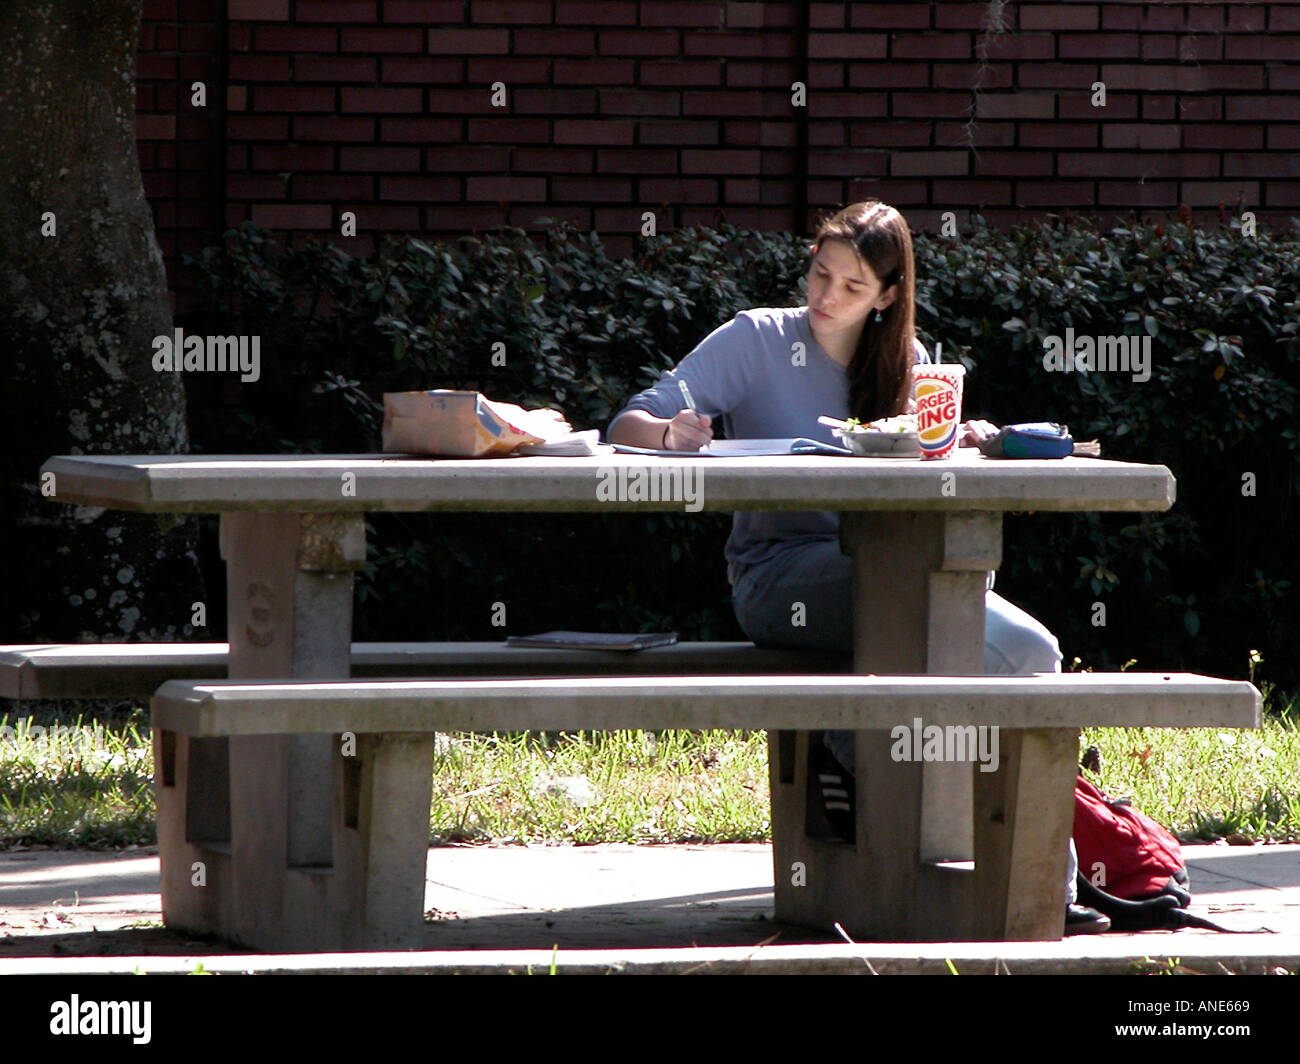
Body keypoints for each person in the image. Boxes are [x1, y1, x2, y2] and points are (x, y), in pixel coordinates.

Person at [607, 200, 1108, 934]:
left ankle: (1010, 872)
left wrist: (963, 443)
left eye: (849, 286)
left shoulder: (912, 365)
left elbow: (928, 475)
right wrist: (670, 433)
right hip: (779, 577)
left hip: (895, 573)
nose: (824, 298)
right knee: (975, 635)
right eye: (819, 274)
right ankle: (1028, 881)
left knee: (1021, 646)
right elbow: (625, 423)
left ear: (887, 297)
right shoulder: (756, 339)